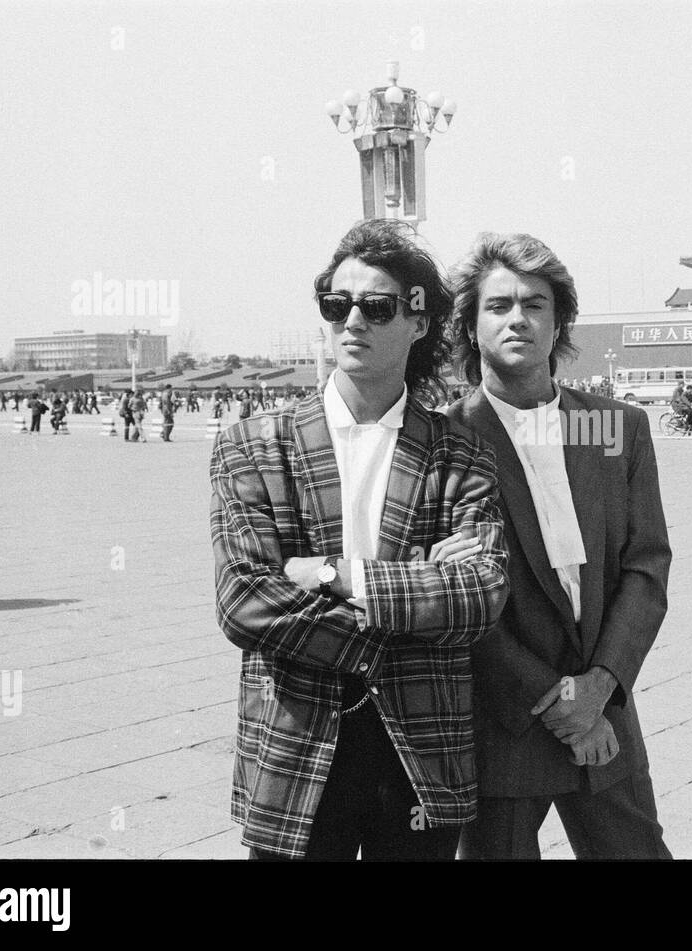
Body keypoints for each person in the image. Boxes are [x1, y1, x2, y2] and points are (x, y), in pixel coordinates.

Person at [212, 218, 509, 862]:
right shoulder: (254, 445)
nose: (352, 321)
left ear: (419, 322)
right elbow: (244, 602)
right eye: (335, 303)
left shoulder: (462, 452)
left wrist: (331, 576)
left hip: (421, 747)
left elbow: (481, 596)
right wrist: (414, 596)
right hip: (296, 740)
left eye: (376, 307)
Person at [445, 232, 672, 861]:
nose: (518, 318)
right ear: (470, 326)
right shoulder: (443, 440)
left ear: (559, 321)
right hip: (505, 722)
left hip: (605, 714)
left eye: (535, 303)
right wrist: (553, 699)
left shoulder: (614, 427)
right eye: (498, 305)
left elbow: (646, 565)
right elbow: (450, 597)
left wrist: (600, 686)